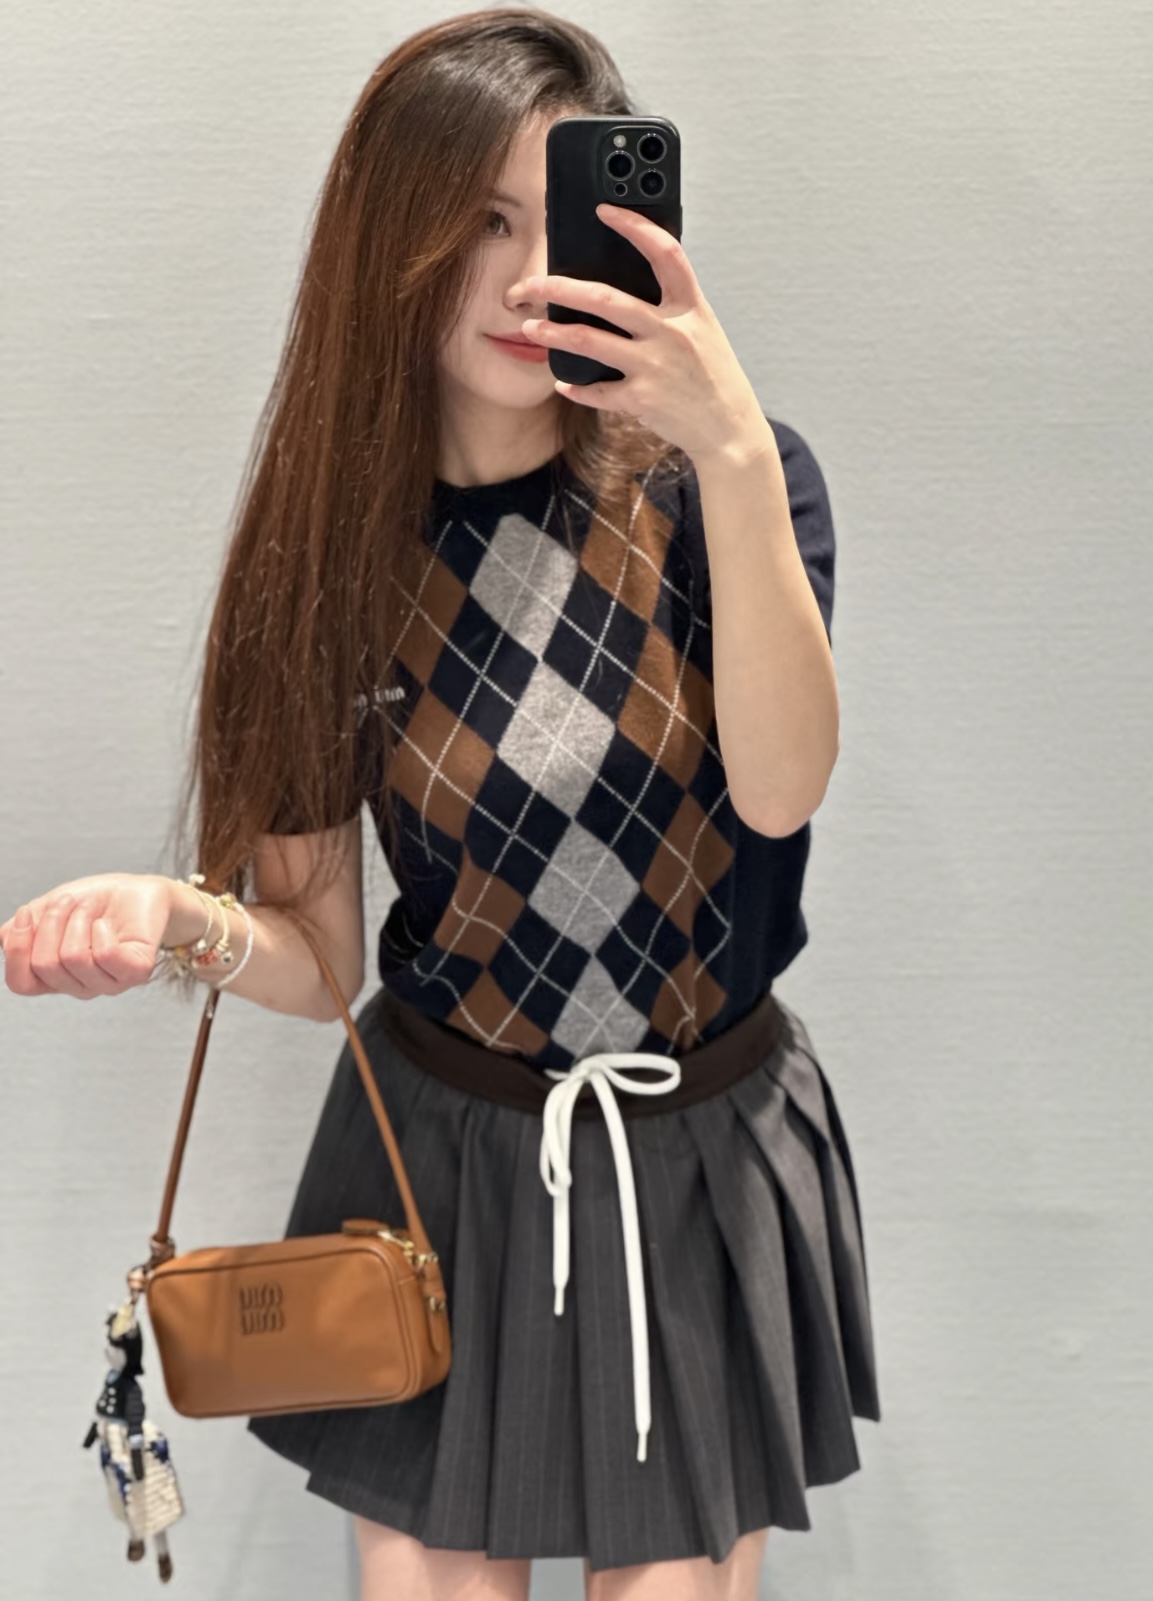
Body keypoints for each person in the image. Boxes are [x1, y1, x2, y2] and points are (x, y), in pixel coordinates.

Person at [0, 9, 879, 1600]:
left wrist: (735, 449)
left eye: (561, 217)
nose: (528, 273)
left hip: (691, 1154)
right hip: (439, 1169)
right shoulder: (324, 560)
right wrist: (174, 918)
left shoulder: (723, 489)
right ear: (389, 239)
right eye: (480, 219)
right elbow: (320, 956)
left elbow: (779, 788)